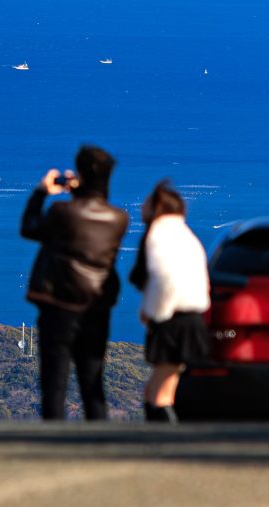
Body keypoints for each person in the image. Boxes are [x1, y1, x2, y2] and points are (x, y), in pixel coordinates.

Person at [19, 144, 129, 420]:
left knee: (54, 385)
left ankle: (55, 450)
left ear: (79, 174)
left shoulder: (60, 213)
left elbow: (29, 228)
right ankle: (99, 447)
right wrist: (81, 189)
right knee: (92, 384)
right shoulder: (118, 219)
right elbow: (89, 220)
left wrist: (41, 191)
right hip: (96, 311)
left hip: (59, 309)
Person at [129, 179, 211, 423]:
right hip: (192, 319)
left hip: (171, 321)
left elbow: (163, 279)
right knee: (160, 387)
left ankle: (166, 443)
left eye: (146, 202)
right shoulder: (186, 236)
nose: (141, 207)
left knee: (160, 393)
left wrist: (154, 311)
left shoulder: (157, 235)